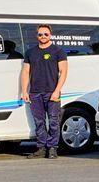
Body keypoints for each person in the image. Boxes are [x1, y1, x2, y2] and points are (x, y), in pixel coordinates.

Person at [20, 23, 68, 159]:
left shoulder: (58, 51)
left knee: (53, 121)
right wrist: (25, 91)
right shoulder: (30, 52)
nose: (43, 36)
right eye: (40, 34)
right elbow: (25, 72)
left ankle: (52, 148)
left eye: (46, 34)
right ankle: (41, 148)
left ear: (50, 35)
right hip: (35, 93)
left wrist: (57, 90)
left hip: (52, 92)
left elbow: (63, 72)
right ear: (37, 36)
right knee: (39, 121)